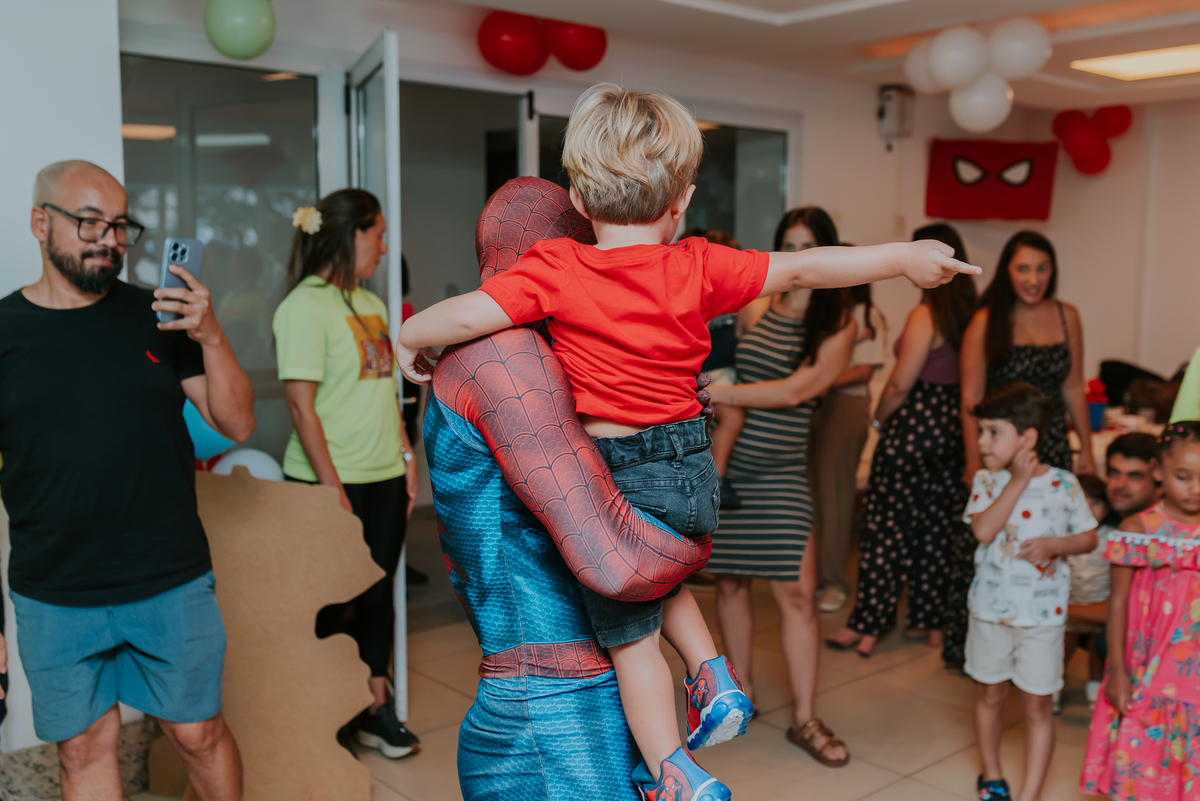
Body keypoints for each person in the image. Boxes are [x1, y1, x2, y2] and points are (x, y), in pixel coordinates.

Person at [398, 84, 974, 790]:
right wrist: (904, 256)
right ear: (683, 198)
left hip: (621, 472)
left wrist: (408, 339)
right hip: (693, 467)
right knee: (668, 573)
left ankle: (676, 766)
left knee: (633, 636)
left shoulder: (555, 270)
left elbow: (460, 317)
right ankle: (713, 672)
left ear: (579, 200)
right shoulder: (699, 263)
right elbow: (807, 268)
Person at [424, 176, 714, 799]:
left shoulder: (519, 347)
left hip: (566, 689)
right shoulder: (506, 353)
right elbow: (620, 565)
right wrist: (696, 530)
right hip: (553, 715)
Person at [0, 160, 255, 800]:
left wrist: (211, 333)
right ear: (39, 221)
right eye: (89, 221)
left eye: (120, 225)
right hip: (52, 591)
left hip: (168, 578)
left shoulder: (160, 314)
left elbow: (238, 421)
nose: (108, 238)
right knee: (84, 748)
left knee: (199, 735)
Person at [704, 207, 857, 767]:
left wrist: (726, 398)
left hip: (784, 472)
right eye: (786, 246)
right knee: (731, 586)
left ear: (826, 252)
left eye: (806, 246)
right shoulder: (757, 308)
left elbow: (799, 391)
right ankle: (739, 698)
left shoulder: (841, 326)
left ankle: (806, 718)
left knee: (798, 594)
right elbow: (729, 369)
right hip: (732, 466)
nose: (796, 257)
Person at [272, 189, 421, 758]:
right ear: (348, 235)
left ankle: (374, 709)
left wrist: (406, 459)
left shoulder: (374, 306)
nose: (384, 248)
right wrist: (332, 488)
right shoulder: (302, 307)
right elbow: (300, 407)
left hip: (384, 474)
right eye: (377, 234)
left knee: (379, 592)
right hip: (325, 482)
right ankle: (329, 712)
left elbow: (389, 396)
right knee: (332, 600)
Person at [826, 223, 977, 656]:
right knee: (934, 532)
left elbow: (899, 385)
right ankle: (928, 623)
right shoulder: (969, 315)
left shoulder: (925, 315)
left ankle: (869, 626)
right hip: (952, 431)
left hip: (913, 431)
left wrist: (878, 420)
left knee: (885, 530)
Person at [962, 382, 1098, 801]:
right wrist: (1016, 482)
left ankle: (1032, 792)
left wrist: (1057, 545)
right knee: (990, 694)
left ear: (1028, 438)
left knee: (1038, 705)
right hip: (991, 612)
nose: (982, 442)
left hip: (1043, 618)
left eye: (993, 432)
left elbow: (1089, 538)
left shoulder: (1064, 484)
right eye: (980, 431)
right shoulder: (987, 481)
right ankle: (992, 775)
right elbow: (984, 530)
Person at [1081, 421, 1200, 800]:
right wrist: (1116, 671)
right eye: (1183, 477)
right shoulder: (1138, 528)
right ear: (1158, 471)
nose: (1195, 488)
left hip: (1193, 677)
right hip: (1145, 673)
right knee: (1142, 773)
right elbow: (1117, 603)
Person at [961, 231, 1096, 481]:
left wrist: (1086, 449)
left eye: (1041, 268)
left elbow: (1074, 387)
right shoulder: (985, 321)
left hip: (1053, 440)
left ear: (1053, 270)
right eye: (1023, 269)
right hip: (1001, 447)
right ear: (1007, 271)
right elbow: (971, 396)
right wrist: (973, 461)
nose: (1033, 279)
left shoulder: (1068, 316)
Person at [811, 281, 887, 612]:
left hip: (845, 405)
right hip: (816, 404)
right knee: (813, 495)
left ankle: (834, 583)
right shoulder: (825, 314)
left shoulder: (867, 315)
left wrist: (821, 381)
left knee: (835, 497)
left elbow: (865, 371)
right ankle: (813, 576)